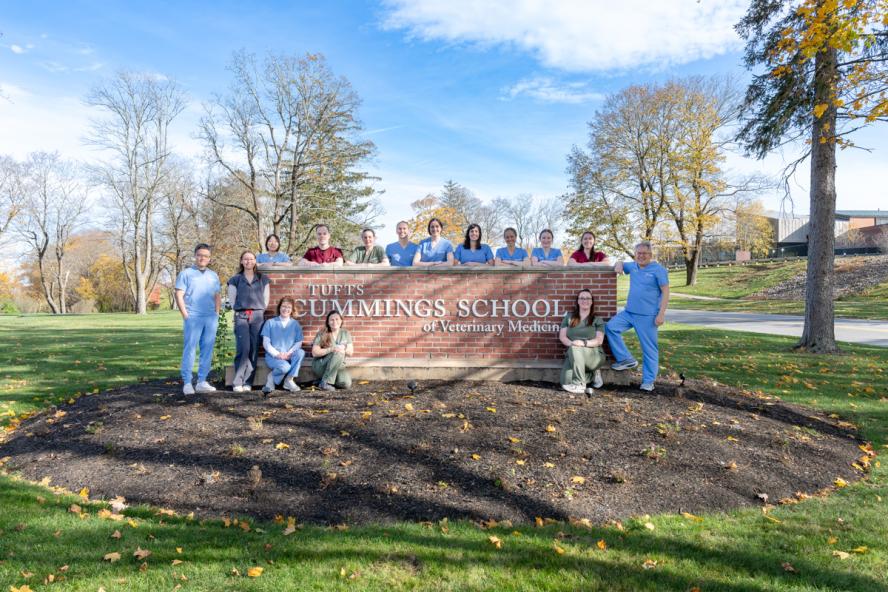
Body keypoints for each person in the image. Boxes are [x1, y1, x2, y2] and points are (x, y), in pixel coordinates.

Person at [605, 241, 670, 392]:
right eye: (638, 253)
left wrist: (661, 314)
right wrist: (619, 263)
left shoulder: (658, 270)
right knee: (611, 327)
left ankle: (648, 381)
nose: (641, 256)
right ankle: (626, 359)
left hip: (648, 316)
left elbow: (666, 292)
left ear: (650, 255)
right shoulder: (633, 266)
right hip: (629, 313)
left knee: (649, 349)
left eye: (644, 253)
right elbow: (620, 263)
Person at [175, 243, 221, 395]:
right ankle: (187, 382)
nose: (203, 258)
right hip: (193, 317)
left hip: (210, 318)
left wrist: (216, 313)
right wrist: (185, 315)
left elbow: (217, 295)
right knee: (190, 349)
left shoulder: (213, 275)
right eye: (200, 255)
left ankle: (202, 381)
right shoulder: (186, 274)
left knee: (207, 350)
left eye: (206, 256)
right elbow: (179, 295)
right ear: (195, 256)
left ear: (209, 258)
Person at [227, 250, 270, 392]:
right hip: (241, 316)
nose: (248, 261)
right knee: (243, 348)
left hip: (257, 316)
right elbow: (232, 301)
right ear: (241, 261)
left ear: (255, 261)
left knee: (253, 350)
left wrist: (259, 311)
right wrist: (241, 311)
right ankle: (237, 381)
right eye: (245, 259)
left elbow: (266, 299)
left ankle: (248, 382)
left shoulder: (262, 278)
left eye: (251, 259)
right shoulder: (235, 279)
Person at [558, 289, 606, 395]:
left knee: (575, 347)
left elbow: (599, 340)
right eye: (582, 298)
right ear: (578, 301)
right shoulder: (569, 317)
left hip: (594, 355)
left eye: (588, 298)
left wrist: (582, 343)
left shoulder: (597, 319)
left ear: (592, 301)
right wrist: (573, 344)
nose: (585, 300)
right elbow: (562, 337)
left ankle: (579, 384)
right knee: (565, 382)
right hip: (574, 354)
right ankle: (592, 375)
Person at [260, 297, 305, 395]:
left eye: (289, 307)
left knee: (301, 352)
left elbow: (299, 342)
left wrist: (289, 353)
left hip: (289, 355)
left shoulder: (295, 324)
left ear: (292, 310)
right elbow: (266, 343)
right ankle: (271, 377)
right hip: (274, 357)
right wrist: (277, 354)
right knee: (285, 367)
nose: (285, 309)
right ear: (279, 307)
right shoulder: (270, 323)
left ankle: (289, 380)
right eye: (283, 306)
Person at [311, 309, 353, 391]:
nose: (334, 322)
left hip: (338, 366)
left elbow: (350, 352)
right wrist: (332, 349)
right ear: (328, 322)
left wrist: (342, 350)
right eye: (332, 320)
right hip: (321, 365)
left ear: (341, 321)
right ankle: (325, 382)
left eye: (337, 319)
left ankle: (322, 380)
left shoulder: (345, 333)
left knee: (346, 384)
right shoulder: (322, 333)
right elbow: (314, 353)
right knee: (337, 352)